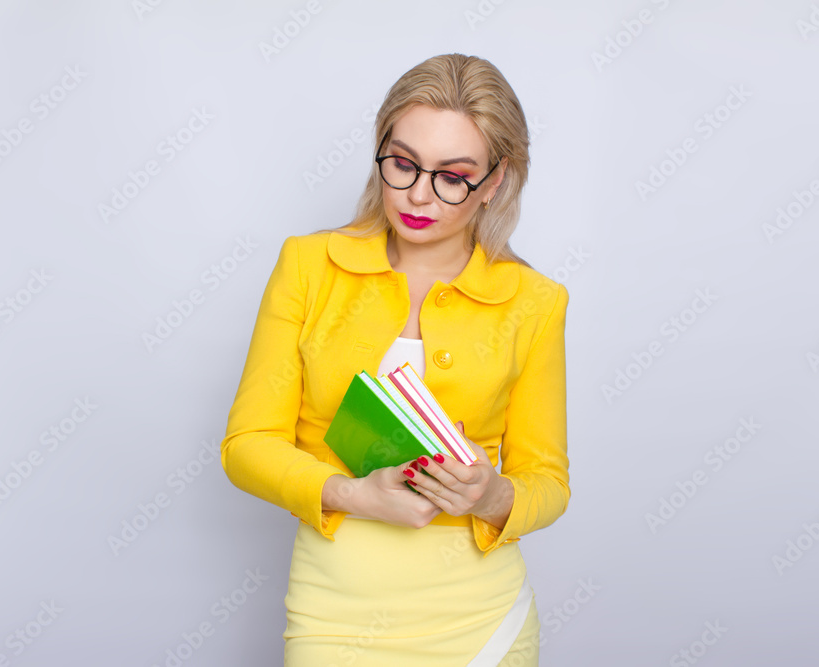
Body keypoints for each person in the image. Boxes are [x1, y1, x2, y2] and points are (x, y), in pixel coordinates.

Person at [220, 53, 570, 666]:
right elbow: (246, 445)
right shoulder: (308, 267)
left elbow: (549, 481)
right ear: (380, 151)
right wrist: (353, 495)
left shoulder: (535, 302)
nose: (417, 195)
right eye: (403, 164)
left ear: (494, 182)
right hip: (334, 611)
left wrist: (491, 497)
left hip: (480, 616)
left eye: (453, 176)